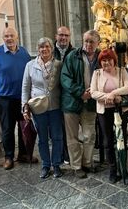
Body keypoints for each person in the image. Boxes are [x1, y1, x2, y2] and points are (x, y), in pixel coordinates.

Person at [0, 27, 36, 170]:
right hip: (4, 99)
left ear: (17, 37)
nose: (9, 38)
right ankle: (9, 157)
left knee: (25, 126)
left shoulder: (23, 52)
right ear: (3, 38)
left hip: (23, 97)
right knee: (7, 129)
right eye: (6, 36)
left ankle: (24, 154)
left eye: (11, 35)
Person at [60, 30, 100, 178]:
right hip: (72, 103)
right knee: (73, 137)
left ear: (98, 43)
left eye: (92, 41)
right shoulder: (72, 56)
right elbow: (65, 78)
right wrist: (80, 92)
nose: (88, 44)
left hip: (90, 103)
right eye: (86, 41)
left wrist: (95, 92)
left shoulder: (100, 57)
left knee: (89, 135)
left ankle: (87, 163)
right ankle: (76, 166)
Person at [22, 37, 64, 179]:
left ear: (51, 48)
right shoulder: (30, 65)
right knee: (42, 138)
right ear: (37, 49)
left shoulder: (59, 64)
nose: (44, 49)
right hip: (38, 107)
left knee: (57, 136)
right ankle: (46, 165)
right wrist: (25, 106)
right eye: (41, 47)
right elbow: (25, 87)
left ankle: (57, 164)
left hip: (55, 106)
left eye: (47, 46)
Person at [90, 49, 128, 183]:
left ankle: (123, 168)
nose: (106, 62)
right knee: (108, 142)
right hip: (104, 111)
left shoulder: (122, 71)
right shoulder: (97, 74)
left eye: (109, 59)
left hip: (120, 110)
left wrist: (113, 93)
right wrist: (108, 97)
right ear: (100, 62)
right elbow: (93, 92)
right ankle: (113, 170)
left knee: (122, 140)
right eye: (103, 60)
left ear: (114, 60)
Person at [53, 26, 74, 164]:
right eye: (61, 35)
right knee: (55, 127)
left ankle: (67, 154)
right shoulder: (49, 50)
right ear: (56, 36)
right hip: (54, 95)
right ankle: (58, 154)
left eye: (66, 35)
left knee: (68, 127)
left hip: (68, 95)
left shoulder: (74, 52)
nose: (63, 38)